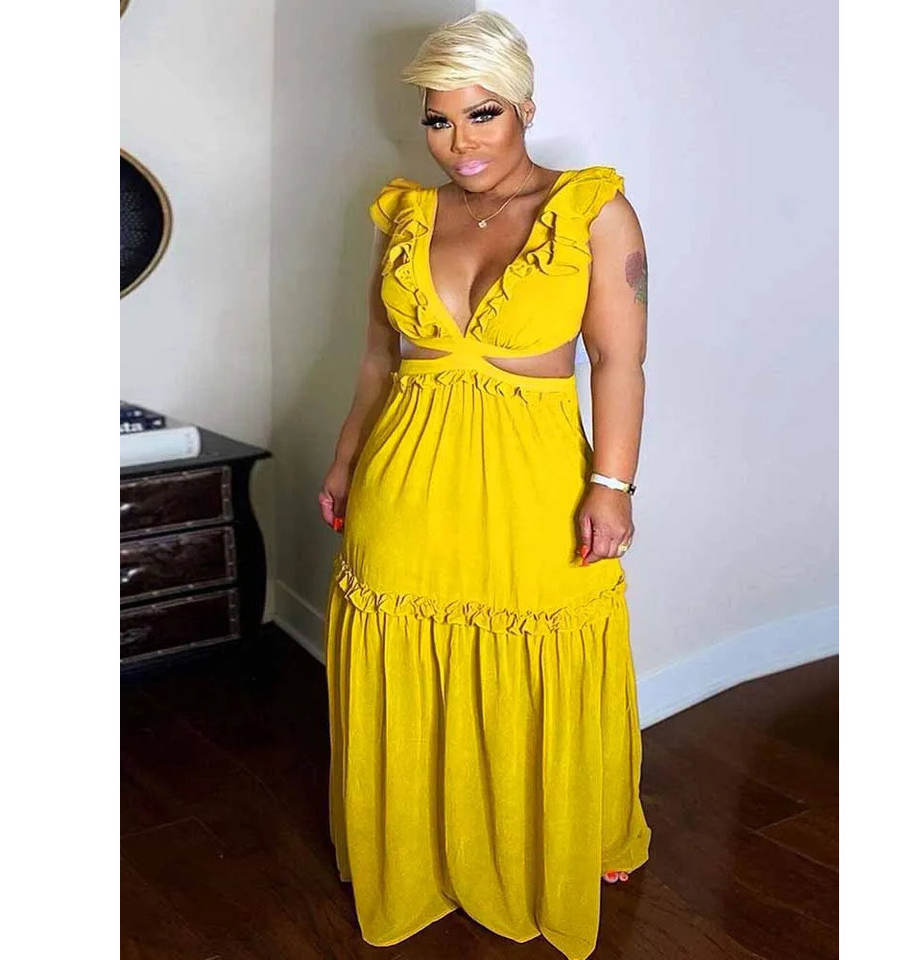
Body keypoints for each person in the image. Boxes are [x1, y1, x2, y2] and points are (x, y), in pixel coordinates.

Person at [318, 10, 651, 960]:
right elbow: (378, 359)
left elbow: (619, 362)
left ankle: (557, 840)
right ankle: (420, 855)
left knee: (543, 651)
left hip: (533, 480)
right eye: (438, 119)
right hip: (405, 477)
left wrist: (613, 483)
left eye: (483, 113)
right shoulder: (403, 216)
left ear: (525, 108)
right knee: (402, 651)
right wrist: (345, 459)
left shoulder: (592, 211)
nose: (459, 141)